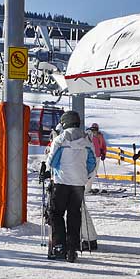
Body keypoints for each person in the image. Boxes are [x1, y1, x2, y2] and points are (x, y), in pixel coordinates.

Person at [46, 111, 96, 262]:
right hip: (78, 184)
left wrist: (54, 171)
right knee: (74, 215)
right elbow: (92, 163)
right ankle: (72, 249)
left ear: (65, 123)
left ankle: (59, 246)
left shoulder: (60, 139)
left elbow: (51, 161)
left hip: (62, 182)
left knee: (56, 214)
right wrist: (84, 175)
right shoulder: (87, 141)